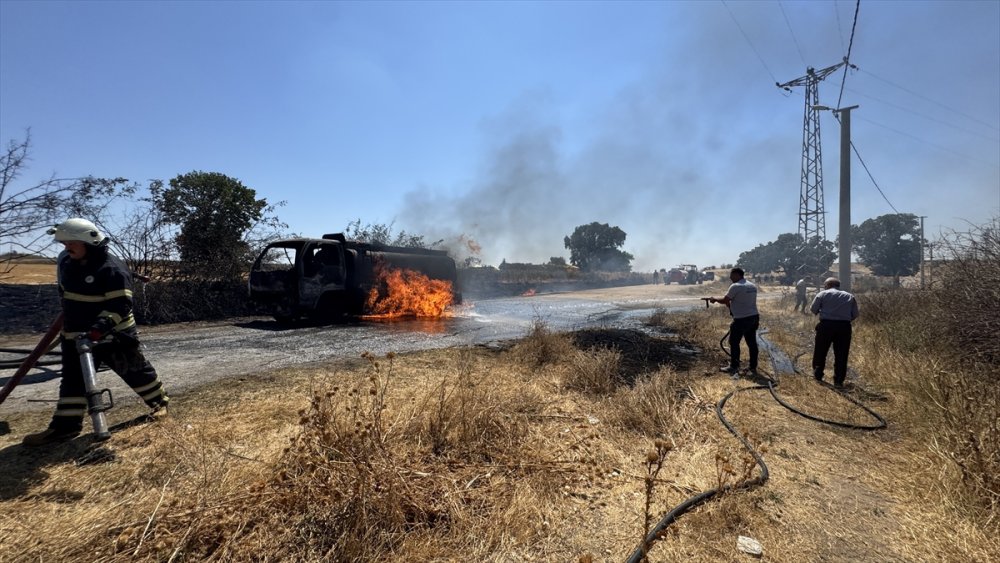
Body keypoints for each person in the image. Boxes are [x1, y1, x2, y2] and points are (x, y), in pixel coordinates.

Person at [22, 218, 170, 446]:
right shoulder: (69, 264)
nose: (66, 248)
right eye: (64, 243)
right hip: (75, 335)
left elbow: (120, 307)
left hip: (114, 334)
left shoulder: (112, 269)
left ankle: (160, 406)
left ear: (88, 243)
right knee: (73, 382)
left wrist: (97, 330)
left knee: (135, 370)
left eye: (71, 243)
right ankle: (64, 428)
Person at [708, 267, 760, 377]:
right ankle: (753, 366)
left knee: (734, 342)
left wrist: (714, 299)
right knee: (752, 343)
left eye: (731, 275)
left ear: (737, 275)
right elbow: (740, 301)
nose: (730, 277)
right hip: (754, 317)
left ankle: (734, 366)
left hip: (742, 319)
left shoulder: (736, 286)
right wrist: (730, 306)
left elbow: (725, 300)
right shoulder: (752, 286)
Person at [810, 277, 859, 389]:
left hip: (826, 326)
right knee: (842, 354)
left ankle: (818, 374)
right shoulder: (849, 296)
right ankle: (838, 380)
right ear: (838, 285)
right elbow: (855, 314)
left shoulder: (822, 294)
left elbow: (813, 310)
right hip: (844, 327)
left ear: (828, 285)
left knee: (820, 351)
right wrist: (843, 319)